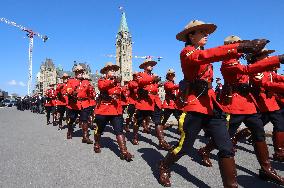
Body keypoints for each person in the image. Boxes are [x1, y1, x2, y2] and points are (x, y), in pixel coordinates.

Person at [158, 20, 268, 187]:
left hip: (212, 106)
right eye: (202, 31)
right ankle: (164, 165)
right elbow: (205, 55)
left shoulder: (202, 53)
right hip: (195, 107)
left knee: (226, 147)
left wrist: (277, 60)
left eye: (206, 31)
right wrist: (241, 47)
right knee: (185, 147)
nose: (207, 34)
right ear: (191, 36)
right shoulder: (187, 52)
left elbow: (210, 56)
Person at [197, 36, 284, 186]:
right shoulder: (228, 62)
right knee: (225, 136)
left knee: (259, 134)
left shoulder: (238, 61)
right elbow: (248, 70)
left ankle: (266, 168)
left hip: (248, 105)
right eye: (239, 44)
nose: (243, 46)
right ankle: (205, 150)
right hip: (235, 105)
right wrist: (278, 59)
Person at [94, 62, 134, 161]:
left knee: (119, 131)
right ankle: (97, 143)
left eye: (114, 69)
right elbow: (102, 87)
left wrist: (127, 89)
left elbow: (123, 93)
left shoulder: (117, 83)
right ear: (106, 72)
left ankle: (124, 151)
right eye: (111, 69)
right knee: (99, 130)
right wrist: (113, 81)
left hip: (116, 110)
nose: (113, 71)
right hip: (103, 110)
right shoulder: (101, 80)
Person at [132, 58, 171, 151]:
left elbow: (153, 87)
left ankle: (161, 141)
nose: (151, 66)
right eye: (149, 64)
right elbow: (141, 82)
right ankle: (135, 136)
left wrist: (159, 84)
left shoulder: (154, 76)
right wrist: (153, 79)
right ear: (144, 66)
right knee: (138, 121)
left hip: (154, 101)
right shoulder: (140, 75)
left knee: (158, 121)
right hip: (144, 102)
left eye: (152, 64)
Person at [66, 65, 94, 144]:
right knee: (71, 119)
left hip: (84, 103)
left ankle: (85, 137)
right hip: (74, 104)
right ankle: (69, 131)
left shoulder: (86, 82)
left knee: (85, 120)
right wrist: (72, 92)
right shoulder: (71, 81)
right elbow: (68, 89)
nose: (80, 73)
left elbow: (90, 93)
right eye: (78, 72)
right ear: (75, 73)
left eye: (81, 72)